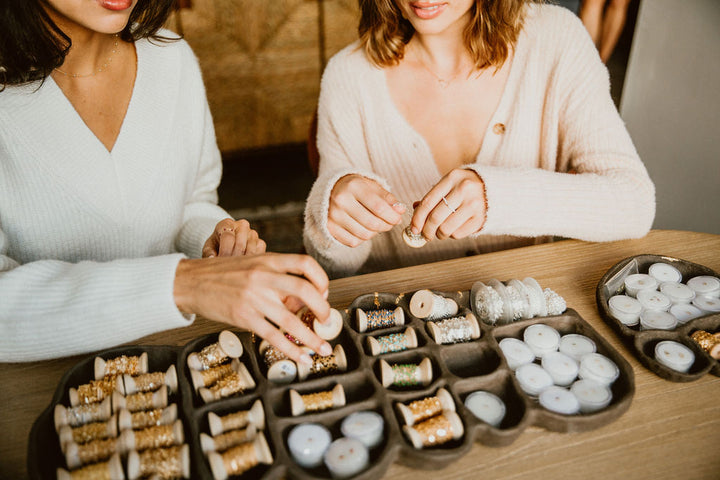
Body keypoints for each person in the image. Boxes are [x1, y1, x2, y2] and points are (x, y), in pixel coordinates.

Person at [0, 0, 332, 363]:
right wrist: (182, 284)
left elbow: (193, 201)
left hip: (176, 364)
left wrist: (215, 238)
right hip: (38, 389)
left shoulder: (171, 57)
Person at [303, 0, 654, 278]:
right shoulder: (347, 76)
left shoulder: (555, 39)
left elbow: (634, 203)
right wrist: (331, 215)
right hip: (407, 324)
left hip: (531, 316)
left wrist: (498, 198)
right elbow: (338, 265)